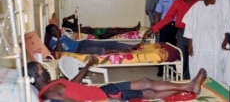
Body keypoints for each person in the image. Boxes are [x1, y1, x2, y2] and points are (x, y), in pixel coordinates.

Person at [25, 56, 207, 102]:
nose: (47, 70)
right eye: (43, 69)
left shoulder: (52, 85)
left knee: (148, 88)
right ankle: (189, 86)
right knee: (147, 87)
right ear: (37, 75)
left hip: (103, 90)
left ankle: (189, 87)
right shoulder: (50, 94)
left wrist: (87, 66)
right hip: (106, 96)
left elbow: (72, 85)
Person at [143, 0, 198, 79]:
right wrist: (153, 28)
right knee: (182, 58)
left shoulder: (198, 1)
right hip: (182, 33)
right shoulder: (177, 2)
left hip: (197, 33)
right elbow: (168, 18)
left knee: (195, 58)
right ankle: (184, 80)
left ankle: (193, 78)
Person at [182, 0, 230, 82]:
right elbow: (189, 27)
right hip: (199, 44)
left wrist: (226, 38)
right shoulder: (196, 7)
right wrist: (190, 45)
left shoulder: (224, 4)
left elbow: (228, 22)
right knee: (198, 66)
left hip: (216, 44)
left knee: (216, 67)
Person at [44, 24, 140, 57]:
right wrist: (57, 37)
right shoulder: (52, 42)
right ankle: (121, 51)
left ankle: (132, 47)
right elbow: (59, 51)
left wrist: (62, 34)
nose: (58, 31)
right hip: (78, 51)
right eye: (55, 31)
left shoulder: (62, 35)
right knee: (97, 50)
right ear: (51, 33)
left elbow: (71, 40)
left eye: (57, 28)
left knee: (108, 43)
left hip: (82, 43)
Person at [154, 0, 180, 76]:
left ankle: (173, 68)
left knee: (175, 48)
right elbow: (158, 14)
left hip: (176, 27)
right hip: (165, 26)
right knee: (163, 47)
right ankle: (161, 69)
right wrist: (157, 28)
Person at [62, 14, 141, 39]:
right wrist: (67, 19)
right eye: (68, 22)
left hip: (97, 31)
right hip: (97, 33)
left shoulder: (74, 26)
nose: (70, 22)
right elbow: (68, 20)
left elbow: (75, 17)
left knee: (116, 29)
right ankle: (134, 29)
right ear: (66, 26)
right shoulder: (73, 29)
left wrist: (70, 17)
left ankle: (133, 28)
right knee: (116, 31)